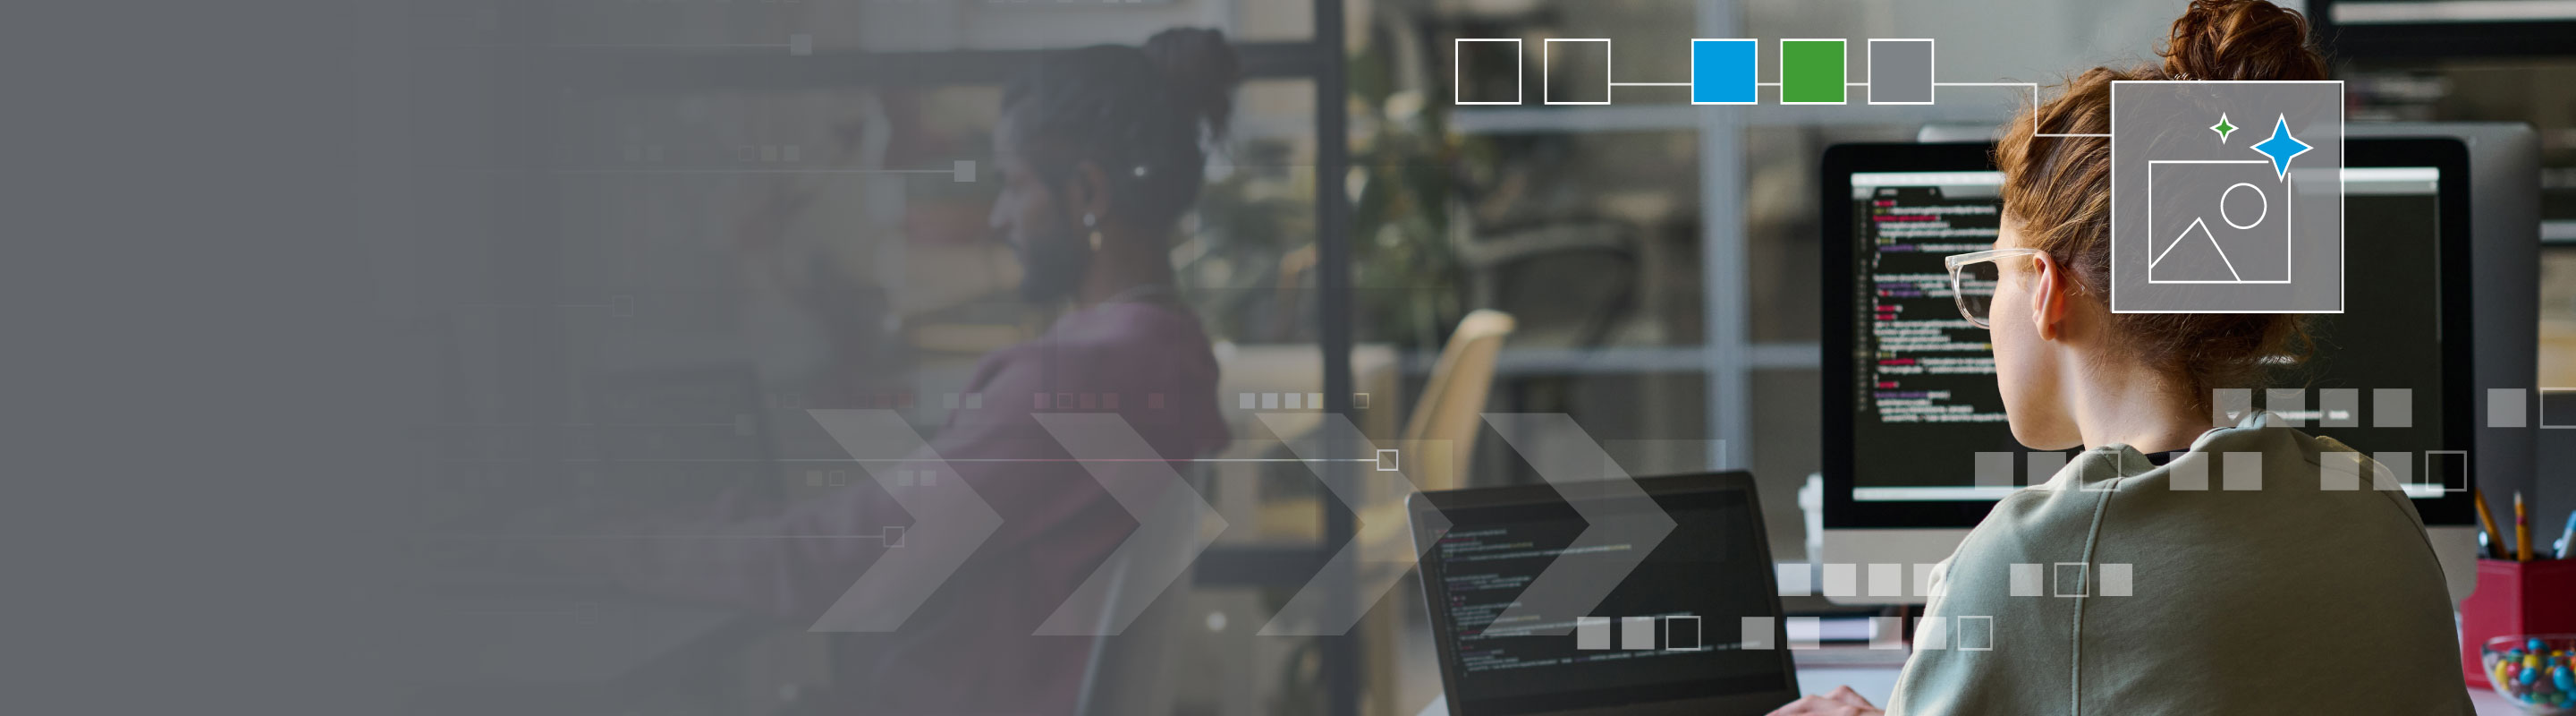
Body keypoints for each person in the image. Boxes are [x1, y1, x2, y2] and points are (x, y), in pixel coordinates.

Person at [1774, 2, 2473, 713]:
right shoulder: (2372, 504)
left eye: (1993, 276)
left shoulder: (2024, 569)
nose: (1987, 313)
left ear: (2047, 290)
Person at [555, 28, 1240, 715]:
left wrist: (607, 545)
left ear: (1088, 191)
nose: (999, 216)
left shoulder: (1082, 381)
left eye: (1013, 183)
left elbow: (842, 562)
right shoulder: (1173, 358)